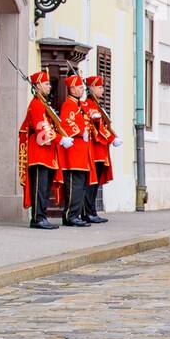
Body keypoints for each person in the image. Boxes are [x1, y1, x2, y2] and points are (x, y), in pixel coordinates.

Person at [18, 70, 61, 230]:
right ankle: (37, 218)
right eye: (46, 83)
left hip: (46, 153)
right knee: (39, 188)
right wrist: (60, 138)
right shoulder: (36, 104)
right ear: (37, 86)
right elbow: (41, 129)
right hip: (38, 152)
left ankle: (42, 216)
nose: (49, 86)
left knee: (44, 187)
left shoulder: (43, 104)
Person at [56, 75, 97, 228]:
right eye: (79, 87)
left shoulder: (79, 105)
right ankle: (70, 215)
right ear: (72, 88)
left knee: (80, 185)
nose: (82, 90)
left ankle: (75, 214)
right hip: (74, 152)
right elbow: (66, 124)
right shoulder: (68, 105)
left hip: (82, 151)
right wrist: (80, 131)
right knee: (75, 185)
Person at [81, 75, 121, 223]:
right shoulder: (89, 105)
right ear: (91, 88)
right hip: (95, 148)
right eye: (99, 87)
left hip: (101, 148)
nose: (102, 90)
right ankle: (88, 212)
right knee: (91, 184)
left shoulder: (97, 105)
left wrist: (112, 136)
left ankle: (92, 211)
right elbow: (97, 128)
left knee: (95, 183)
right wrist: (111, 138)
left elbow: (105, 125)